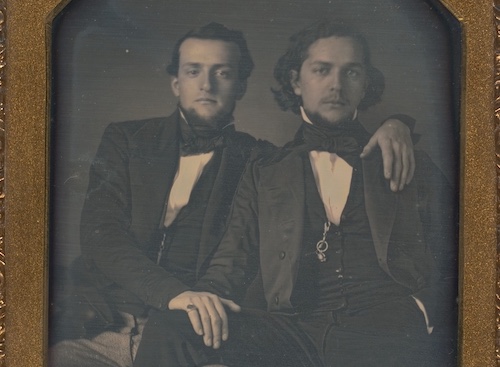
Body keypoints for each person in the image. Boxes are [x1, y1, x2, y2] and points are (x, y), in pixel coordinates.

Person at [50, 22, 417, 367]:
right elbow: (103, 236)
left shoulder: (261, 159)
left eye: (223, 73)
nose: (206, 85)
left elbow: (235, 254)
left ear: (241, 85)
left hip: (202, 324)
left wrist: (398, 122)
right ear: (176, 82)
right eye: (193, 71)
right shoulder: (127, 140)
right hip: (106, 321)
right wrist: (178, 297)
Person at [134, 21, 458, 367]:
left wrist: (424, 308)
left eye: (351, 72)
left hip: (387, 331)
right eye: (321, 70)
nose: (336, 85)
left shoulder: (406, 156)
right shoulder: (266, 169)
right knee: (173, 325)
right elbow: (231, 260)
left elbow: (470, 249)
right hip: (294, 334)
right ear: (295, 81)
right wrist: (200, 300)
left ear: (365, 85)